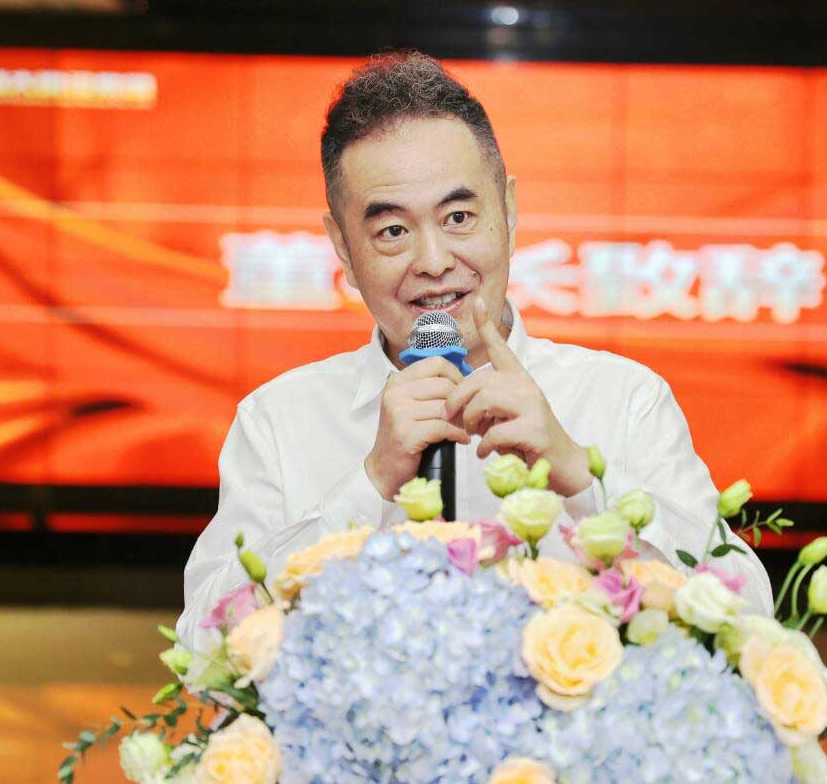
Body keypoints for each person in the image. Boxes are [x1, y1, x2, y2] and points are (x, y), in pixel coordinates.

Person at [177, 52, 771, 649]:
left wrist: (579, 477)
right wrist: (370, 484)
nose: (434, 262)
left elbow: (749, 617)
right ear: (343, 248)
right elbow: (205, 647)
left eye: (459, 216)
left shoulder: (624, 399)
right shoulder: (277, 420)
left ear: (507, 211)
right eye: (392, 231)